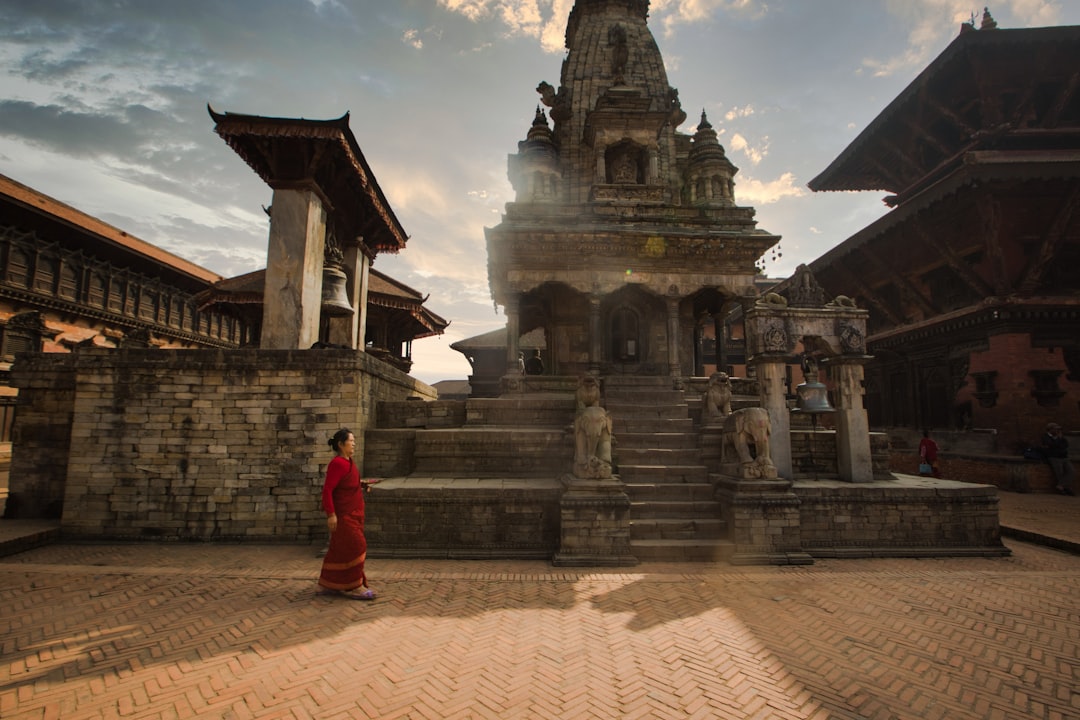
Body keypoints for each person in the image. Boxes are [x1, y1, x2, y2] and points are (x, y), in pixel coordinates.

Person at [317, 428, 379, 599]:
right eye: (351, 441)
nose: (354, 444)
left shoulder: (348, 462)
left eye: (353, 441)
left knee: (339, 549)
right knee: (357, 546)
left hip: (354, 513)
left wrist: (362, 485)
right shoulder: (337, 464)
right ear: (341, 444)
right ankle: (353, 585)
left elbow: (346, 483)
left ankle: (329, 583)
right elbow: (328, 490)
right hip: (344, 516)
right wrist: (331, 514)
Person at [1041, 423, 1075, 495]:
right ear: (1050, 429)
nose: (1058, 431)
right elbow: (1051, 445)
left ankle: (1061, 486)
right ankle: (1065, 489)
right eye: (1056, 429)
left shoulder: (1061, 437)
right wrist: (1058, 441)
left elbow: (1065, 445)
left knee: (1071, 471)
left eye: (1058, 429)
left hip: (1064, 457)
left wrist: (1057, 443)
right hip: (1054, 457)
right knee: (1059, 473)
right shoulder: (1046, 437)